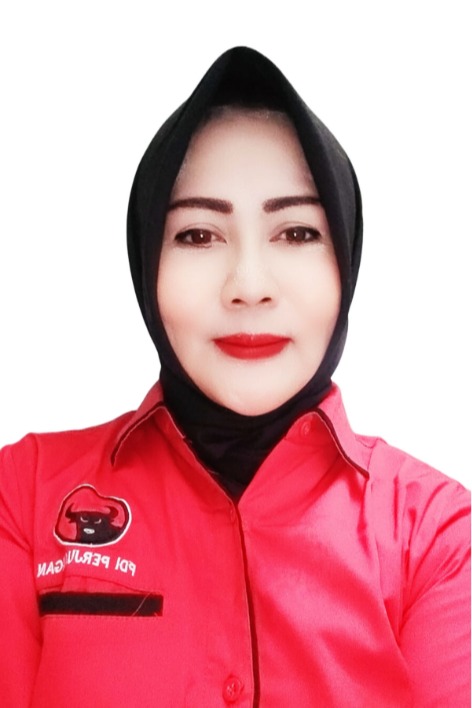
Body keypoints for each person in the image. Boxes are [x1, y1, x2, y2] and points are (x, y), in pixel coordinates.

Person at [0, 46, 469, 707]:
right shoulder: (22, 495)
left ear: (346, 259)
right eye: (198, 235)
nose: (248, 285)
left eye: (297, 233)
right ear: (146, 263)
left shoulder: (436, 534)